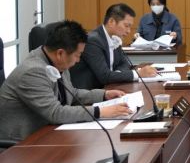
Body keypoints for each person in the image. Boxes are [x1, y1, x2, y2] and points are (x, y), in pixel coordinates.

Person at [0, 21, 132, 144]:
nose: (78, 60)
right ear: (60, 53)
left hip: (47, 133)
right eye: (78, 55)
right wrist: (100, 111)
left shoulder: (55, 61)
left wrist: (104, 95)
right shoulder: (33, 71)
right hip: (20, 145)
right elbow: (55, 113)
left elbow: (72, 93)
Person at [71, 3, 159, 89]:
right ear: (111, 22)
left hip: (109, 88)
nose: (128, 31)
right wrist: (138, 74)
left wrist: (116, 74)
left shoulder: (115, 38)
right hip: (90, 93)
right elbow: (104, 76)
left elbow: (124, 63)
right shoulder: (93, 41)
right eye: (126, 26)